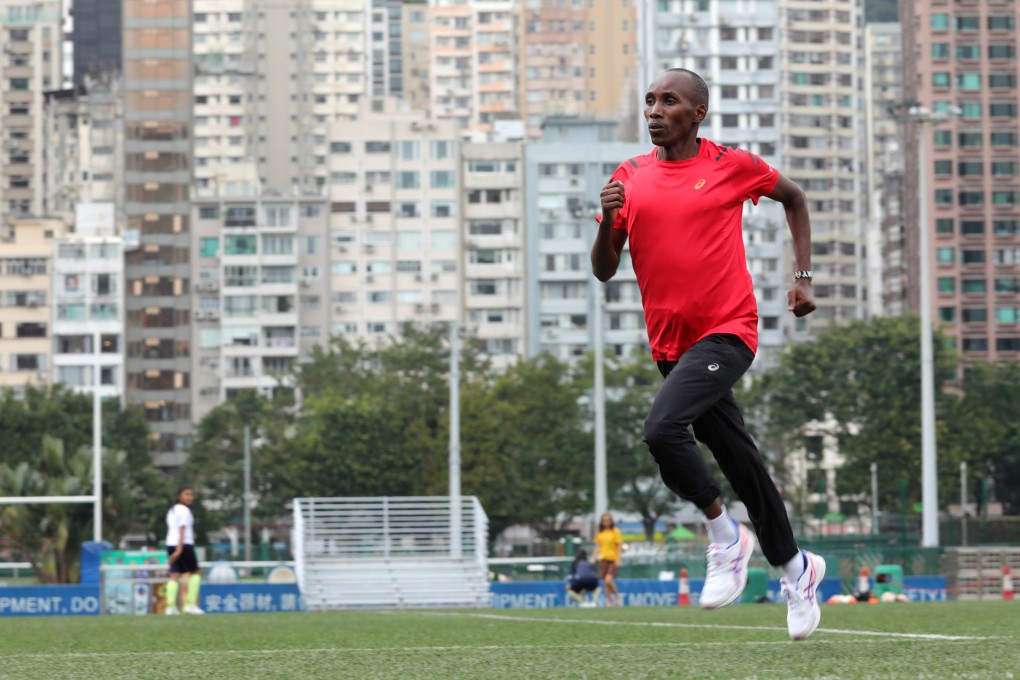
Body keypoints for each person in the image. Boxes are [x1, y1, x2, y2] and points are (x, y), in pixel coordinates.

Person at [591, 68, 826, 641]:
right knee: (741, 462)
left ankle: (725, 536)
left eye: (668, 101)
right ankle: (797, 569)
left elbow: (794, 199)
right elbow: (603, 269)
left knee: (661, 428)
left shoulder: (730, 165)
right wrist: (609, 219)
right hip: (670, 345)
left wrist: (802, 278)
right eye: (650, 101)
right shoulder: (629, 177)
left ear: (697, 113)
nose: (654, 111)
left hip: (728, 332)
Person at [165, 486, 205, 615]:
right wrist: (179, 548)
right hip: (183, 544)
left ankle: (170, 606)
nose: (190, 497)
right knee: (195, 573)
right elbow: (182, 529)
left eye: (191, 495)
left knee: (174, 574)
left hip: (170, 543)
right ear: (179, 496)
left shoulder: (172, 510)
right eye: (186, 494)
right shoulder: (184, 510)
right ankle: (190, 604)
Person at [593, 513, 624, 606]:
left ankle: (617, 597)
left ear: (611, 521)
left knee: (608, 580)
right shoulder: (600, 533)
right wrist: (593, 558)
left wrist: (618, 559)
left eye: (608, 520)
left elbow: (619, 546)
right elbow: (598, 547)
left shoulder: (615, 531)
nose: (606, 522)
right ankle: (608, 601)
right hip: (603, 559)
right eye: (604, 521)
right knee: (606, 583)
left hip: (612, 559)